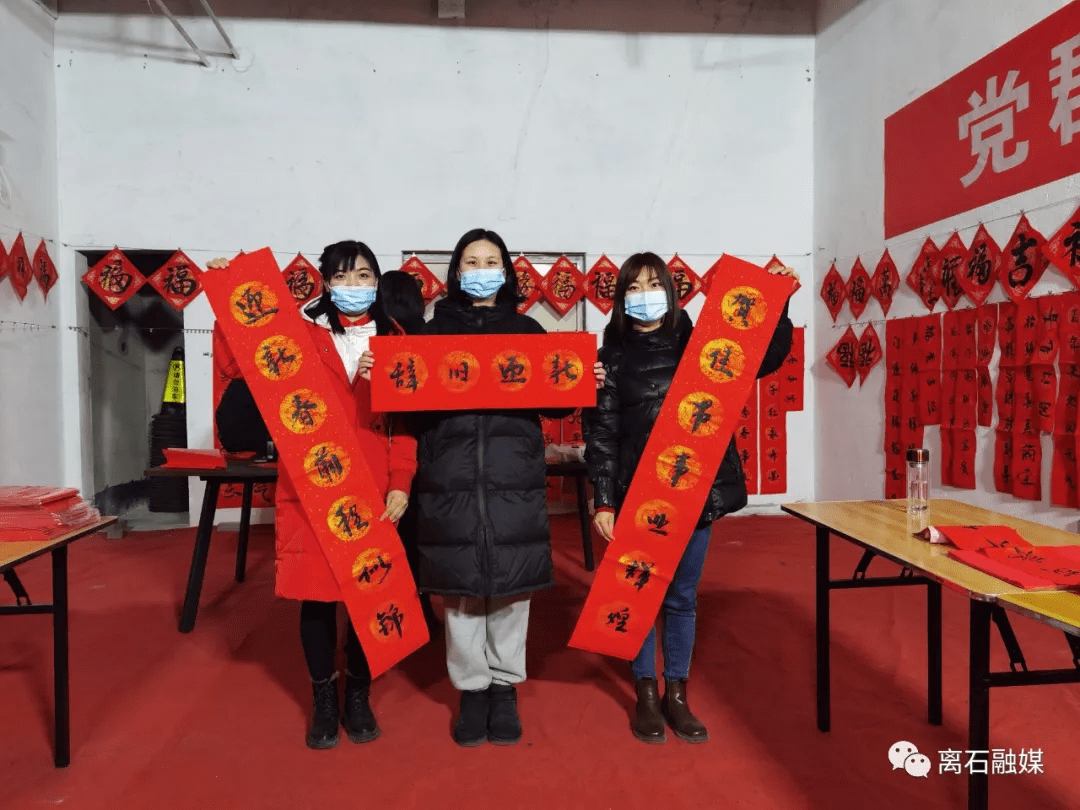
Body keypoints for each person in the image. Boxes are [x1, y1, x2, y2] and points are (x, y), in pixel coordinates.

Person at [583, 252, 796, 745]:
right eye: (632, 288)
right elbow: (602, 435)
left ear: (671, 291)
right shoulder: (609, 357)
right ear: (620, 300)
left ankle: (676, 691)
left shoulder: (700, 344)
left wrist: (779, 304)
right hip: (639, 494)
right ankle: (646, 693)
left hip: (693, 488)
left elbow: (764, 356)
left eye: (653, 284)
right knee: (639, 594)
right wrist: (604, 500)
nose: (643, 296)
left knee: (681, 596)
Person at [401, 228, 604, 747]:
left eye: (491, 260)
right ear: (456, 273)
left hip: (513, 476)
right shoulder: (428, 335)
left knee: (511, 586)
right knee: (464, 587)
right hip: (450, 475)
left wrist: (584, 379)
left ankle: (505, 685)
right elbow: (403, 408)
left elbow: (557, 403)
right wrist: (383, 372)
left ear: (506, 271)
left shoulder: (527, 331)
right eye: (471, 261)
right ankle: (471, 688)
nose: (482, 268)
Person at [211, 241, 417, 750]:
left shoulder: (394, 339)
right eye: (344, 276)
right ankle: (324, 696)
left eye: (365, 274)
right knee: (318, 598)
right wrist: (229, 293)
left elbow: (406, 425)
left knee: (372, 594)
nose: (355, 285)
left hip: (373, 489)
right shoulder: (298, 334)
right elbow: (240, 361)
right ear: (325, 281)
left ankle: (358, 695)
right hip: (313, 486)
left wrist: (401, 484)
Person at [376, 270, 439, 634]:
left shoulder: (378, 338)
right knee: (419, 533)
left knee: (387, 532)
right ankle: (423, 609)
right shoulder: (428, 337)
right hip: (426, 448)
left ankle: (386, 608)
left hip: (387, 448)